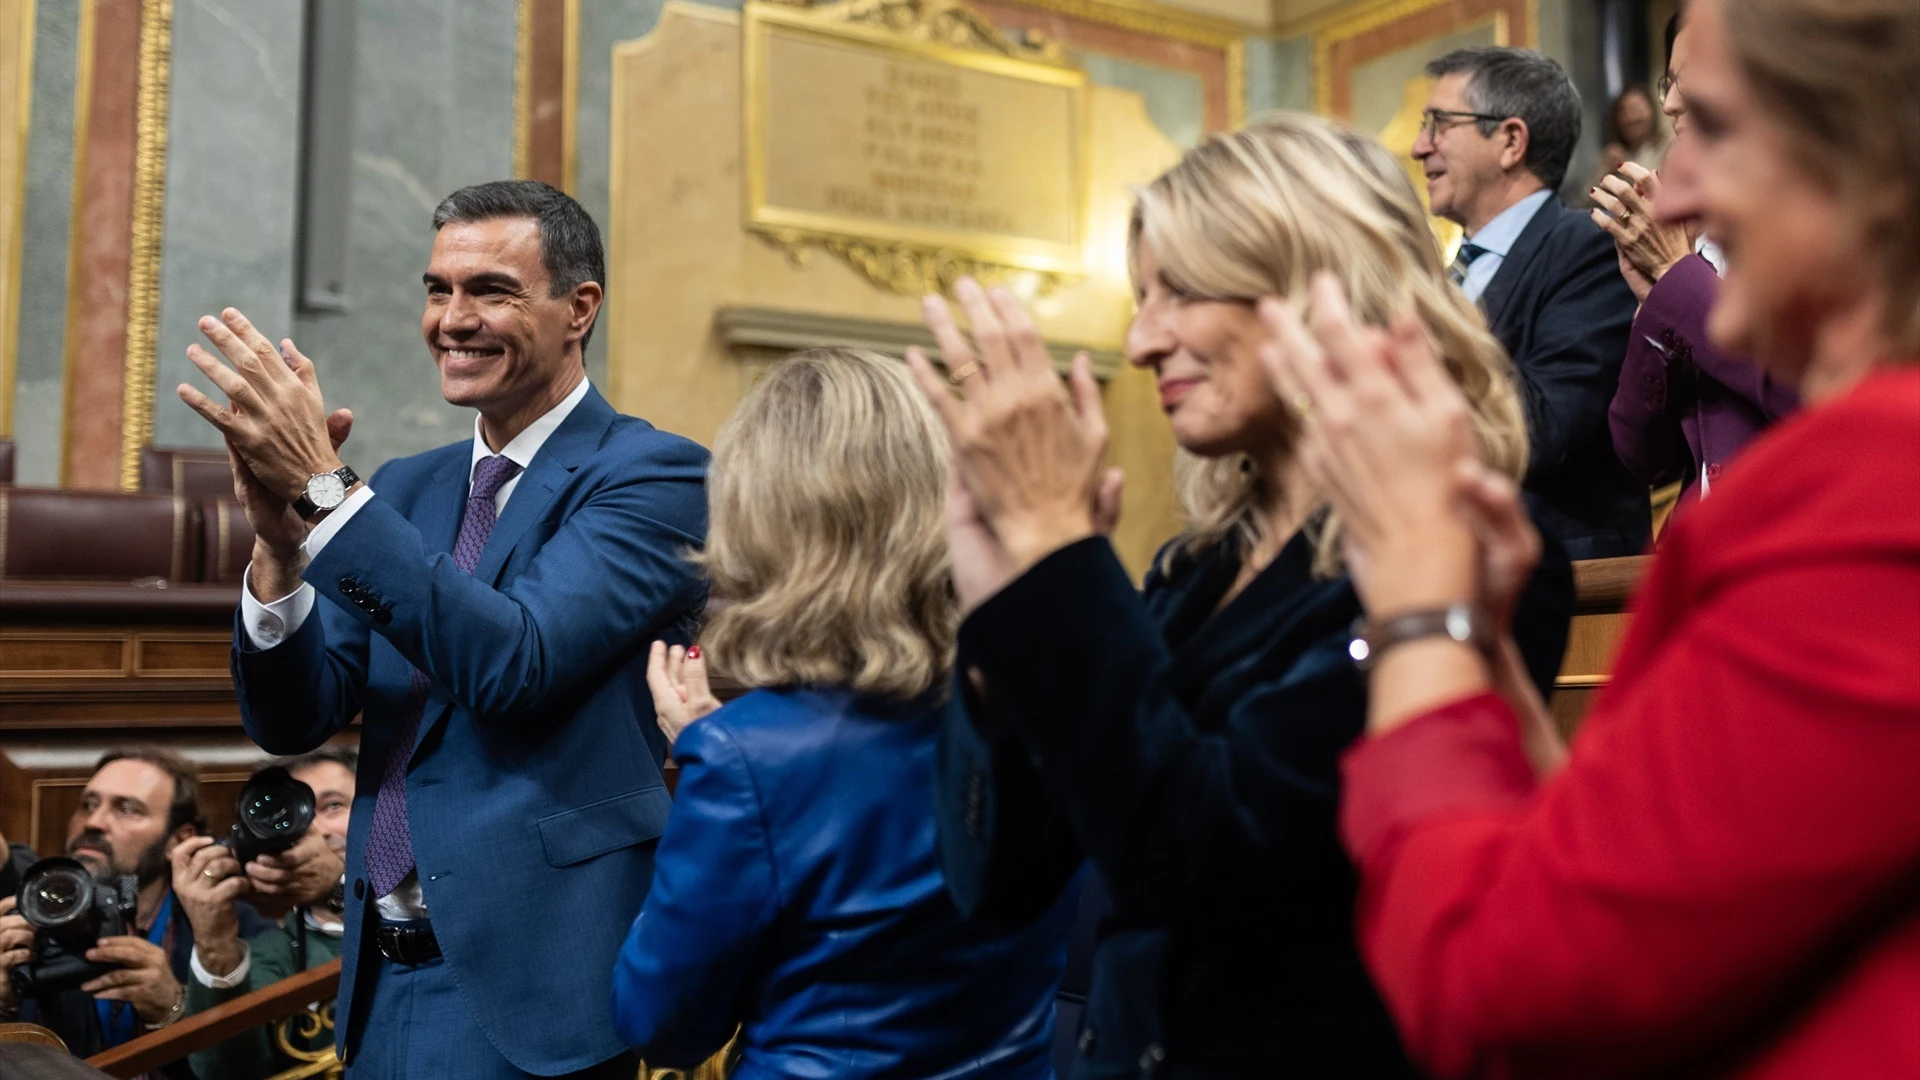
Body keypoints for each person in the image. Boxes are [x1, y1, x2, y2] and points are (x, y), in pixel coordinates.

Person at [1262, 0, 1920, 1073]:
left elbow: (1505, 986)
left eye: (1710, 128)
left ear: (1870, 161)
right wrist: (1484, 657)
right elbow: (1638, 876)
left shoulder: (1873, 503)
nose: (1679, 190)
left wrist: (1421, 609)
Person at [903, 116, 1573, 1079]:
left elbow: (1209, 863)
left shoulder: (1472, 550)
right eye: (1140, 298)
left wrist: (1059, 557)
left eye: (1180, 291)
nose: (1140, 342)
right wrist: (997, 623)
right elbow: (998, 881)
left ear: (1316, 287)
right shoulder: (1194, 569)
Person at [176, 179, 709, 1078]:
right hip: (378, 983)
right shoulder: (406, 490)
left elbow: (515, 663)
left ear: (580, 308)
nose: (452, 320)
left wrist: (325, 491)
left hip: (539, 993)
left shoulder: (654, 474)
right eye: (437, 290)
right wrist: (277, 550)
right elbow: (294, 718)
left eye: (491, 291)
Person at [611, 348, 1076, 1079]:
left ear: (766, 524)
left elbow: (664, 1024)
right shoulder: (1049, 710)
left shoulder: (745, 759)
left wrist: (712, 755)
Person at [1415, 47, 1648, 558]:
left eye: (1438, 123)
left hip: (1562, 592)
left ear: (1510, 141)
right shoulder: (1444, 278)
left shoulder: (1589, 247)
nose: (1418, 146)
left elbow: (1542, 429)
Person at [1598, 9, 1797, 512]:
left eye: (1691, 79)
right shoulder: (1699, 236)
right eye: (1668, 80)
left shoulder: (1832, 226)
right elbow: (1642, 454)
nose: (1668, 102)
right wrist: (1655, 306)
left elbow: (1809, 393)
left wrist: (1676, 278)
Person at [0, 749, 269, 1063]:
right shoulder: (30, 908)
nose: (94, 822)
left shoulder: (230, 927)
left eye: (126, 809)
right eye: (88, 804)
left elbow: (248, 1065)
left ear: (179, 839)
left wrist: (173, 1009)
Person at [177, 748, 358, 1080]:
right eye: (292, 813)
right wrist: (214, 945)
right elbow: (228, 1074)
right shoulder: (270, 952)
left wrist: (340, 886)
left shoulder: (431, 908)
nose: (315, 828)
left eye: (333, 805)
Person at [1589, 85, 1668, 188]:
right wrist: (1604, 174)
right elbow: (1586, 200)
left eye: (1637, 109)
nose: (1632, 118)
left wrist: (1626, 166)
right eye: (1625, 111)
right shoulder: (1611, 154)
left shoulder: (1668, 146)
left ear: (1652, 112)